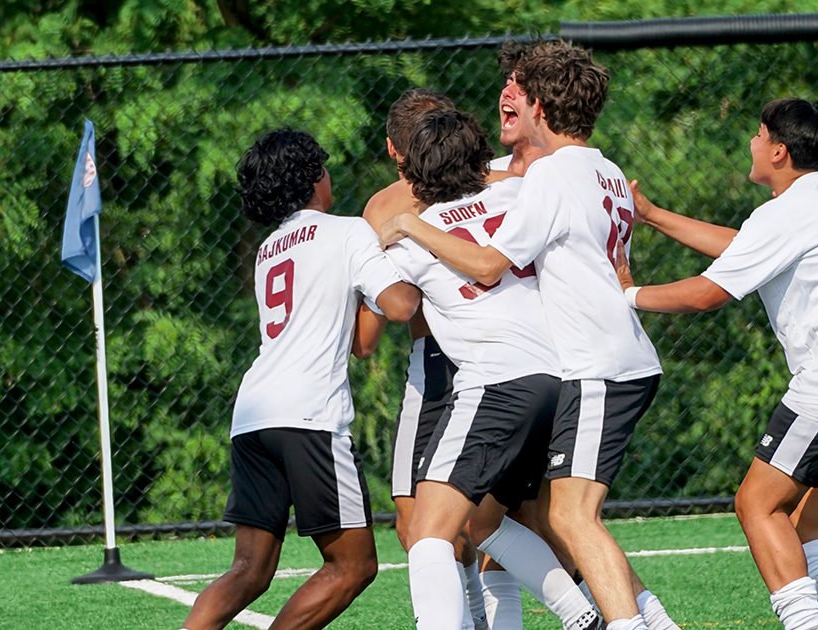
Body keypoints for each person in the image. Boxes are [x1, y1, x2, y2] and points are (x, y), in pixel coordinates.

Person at [382, 40, 672, 630]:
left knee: (441, 526)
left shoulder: (542, 179)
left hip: (562, 369)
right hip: (573, 368)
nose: (508, 97)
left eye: (519, 88)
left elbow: (467, 274)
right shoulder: (594, 173)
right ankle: (590, 615)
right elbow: (616, 268)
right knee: (510, 520)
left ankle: (637, 623)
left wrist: (399, 226)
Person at [620, 98, 818, 630]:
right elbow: (747, 249)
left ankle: (806, 621)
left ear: (779, 151)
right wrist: (651, 216)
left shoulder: (786, 211)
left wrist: (628, 294)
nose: (751, 143)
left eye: (759, 135)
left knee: (755, 503)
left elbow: (706, 295)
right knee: (804, 476)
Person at [183, 129, 419, 630]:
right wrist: (409, 248)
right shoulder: (348, 231)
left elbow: (358, 340)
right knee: (354, 566)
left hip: (252, 414)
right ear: (315, 178)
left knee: (247, 571)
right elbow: (400, 306)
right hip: (309, 414)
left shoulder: (271, 247)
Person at [383, 108, 602, 630]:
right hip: (561, 379)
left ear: (414, 176)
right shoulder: (515, 195)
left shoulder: (417, 236)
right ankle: (582, 616)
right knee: (483, 522)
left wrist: (375, 246)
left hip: (498, 382)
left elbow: (395, 308)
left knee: (428, 532)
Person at [354, 88, 486, 630]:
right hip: (522, 354)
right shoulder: (500, 183)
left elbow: (365, 339)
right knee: (503, 516)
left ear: (393, 149)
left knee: (417, 524)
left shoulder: (387, 206)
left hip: (440, 363)